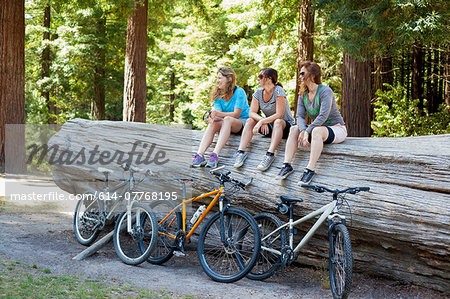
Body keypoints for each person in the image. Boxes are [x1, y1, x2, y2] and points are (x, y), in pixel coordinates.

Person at [277, 61, 347, 184]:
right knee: (294, 129)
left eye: (303, 73)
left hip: (336, 128)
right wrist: (303, 130)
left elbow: (323, 116)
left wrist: (307, 131)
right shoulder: (303, 94)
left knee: (316, 130)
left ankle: (310, 169)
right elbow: (299, 115)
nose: (300, 76)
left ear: (313, 75)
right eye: (299, 74)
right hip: (317, 128)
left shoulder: (325, 91)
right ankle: (287, 165)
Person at [234, 68, 295, 171]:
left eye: (260, 77)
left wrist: (262, 121)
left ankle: (270, 154)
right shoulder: (258, 92)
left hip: (285, 127)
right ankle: (241, 152)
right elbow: (251, 113)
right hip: (270, 125)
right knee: (250, 121)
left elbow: (279, 115)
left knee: (278, 122)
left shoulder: (278, 91)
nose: (258, 79)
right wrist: (262, 120)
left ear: (269, 79)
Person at [191, 66, 250, 168]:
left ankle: (215, 154)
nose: (217, 81)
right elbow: (219, 115)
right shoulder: (217, 95)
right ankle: (200, 155)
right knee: (215, 122)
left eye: (220, 78)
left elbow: (236, 114)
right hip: (227, 123)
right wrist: (213, 118)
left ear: (229, 79)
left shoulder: (239, 92)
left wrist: (217, 115)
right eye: (217, 78)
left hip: (242, 122)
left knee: (227, 119)